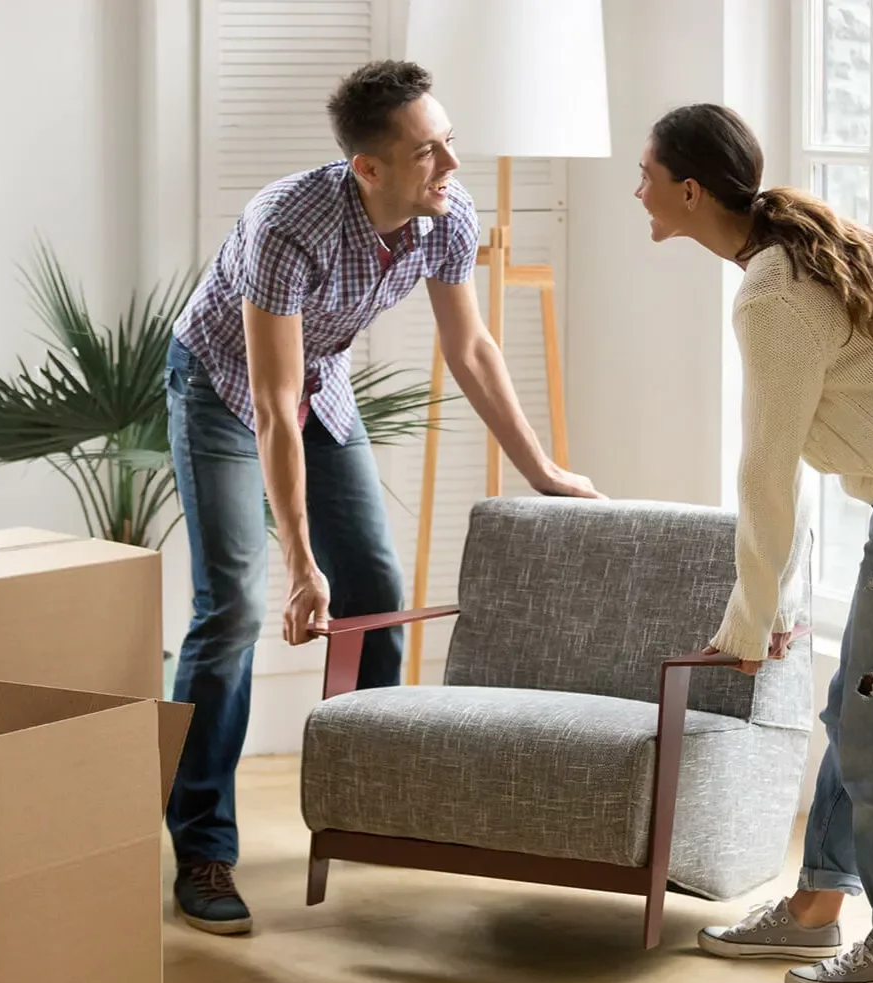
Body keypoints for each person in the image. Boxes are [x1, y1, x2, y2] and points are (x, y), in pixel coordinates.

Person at [165, 60, 600, 936]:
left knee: (374, 588)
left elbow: (471, 350)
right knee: (233, 609)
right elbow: (270, 406)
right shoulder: (286, 224)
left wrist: (541, 469)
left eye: (448, 143)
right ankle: (203, 845)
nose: (448, 164)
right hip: (220, 387)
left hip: (316, 381)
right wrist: (297, 563)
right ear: (368, 168)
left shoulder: (445, 213)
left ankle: (363, 800)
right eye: (426, 151)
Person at [634, 104, 873, 983]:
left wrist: (750, 617)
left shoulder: (770, 292)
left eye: (646, 174)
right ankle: (813, 905)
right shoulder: (786, 258)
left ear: (690, 190)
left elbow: (767, 471)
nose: (636, 190)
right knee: (854, 716)